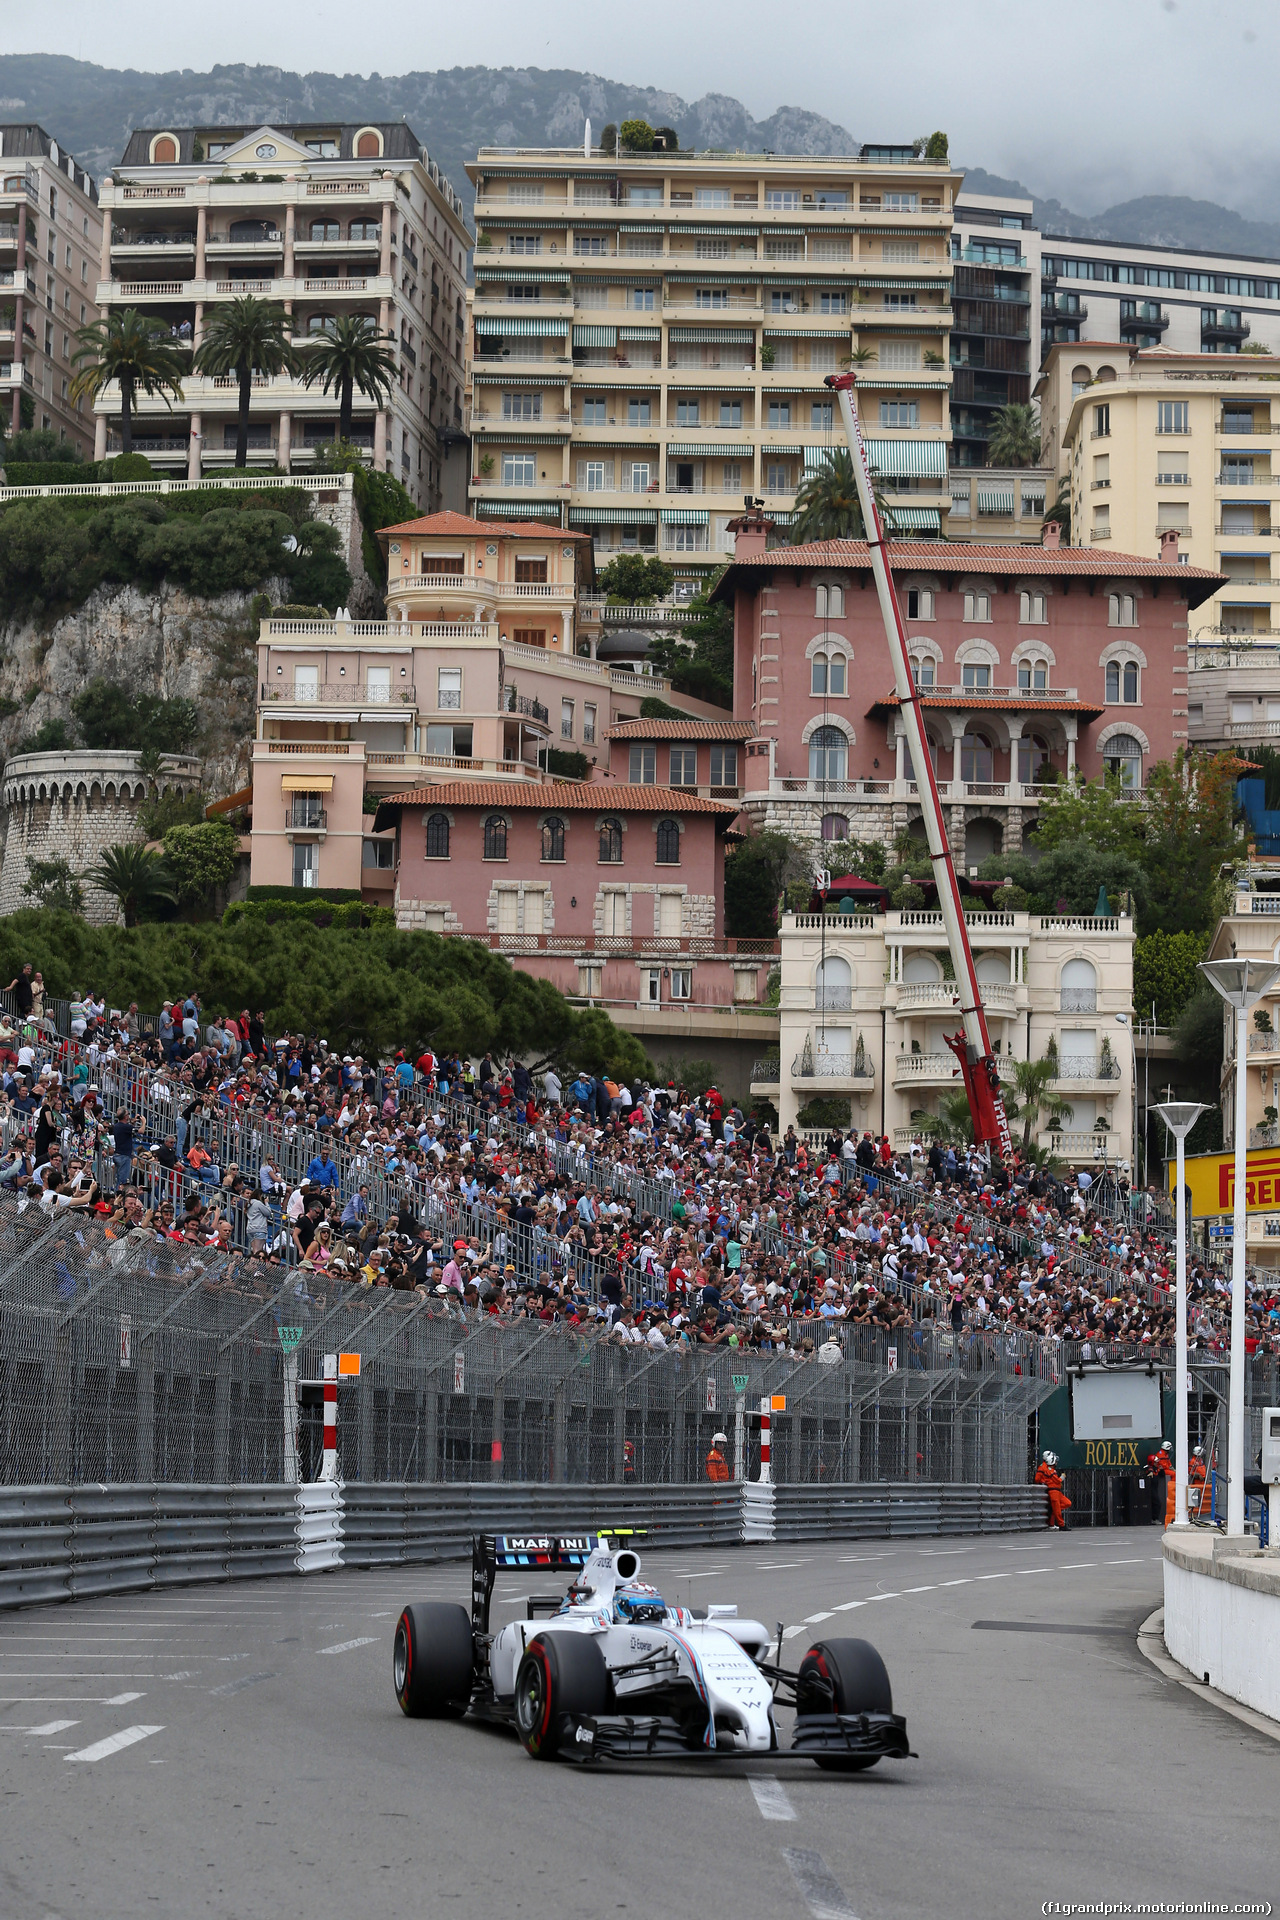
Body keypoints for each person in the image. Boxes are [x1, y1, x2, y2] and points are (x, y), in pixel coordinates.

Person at [1034, 1449, 1070, 1530]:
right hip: (1053, 1491)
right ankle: (1060, 1525)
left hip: (1056, 1491)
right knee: (1056, 1509)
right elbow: (1038, 1479)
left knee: (1067, 1503)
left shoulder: (1048, 1468)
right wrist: (1062, 1477)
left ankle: (1053, 1516)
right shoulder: (1045, 1468)